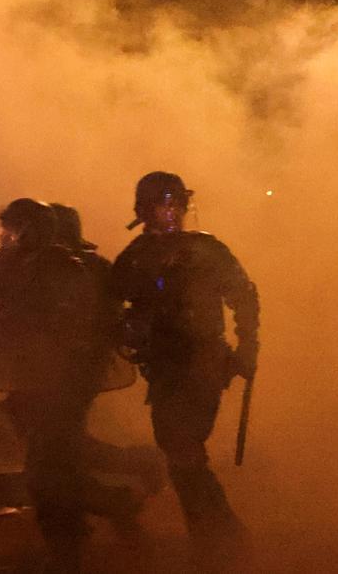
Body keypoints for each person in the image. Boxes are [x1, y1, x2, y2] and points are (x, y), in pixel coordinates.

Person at [0, 198, 141, 572]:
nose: (4, 238)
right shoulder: (19, 269)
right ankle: (104, 512)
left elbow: (78, 329)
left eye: (10, 230)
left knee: (48, 475)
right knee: (59, 466)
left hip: (63, 382)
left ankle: (77, 542)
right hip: (37, 380)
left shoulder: (65, 270)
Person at [110, 172, 258, 560]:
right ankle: (215, 533)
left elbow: (243, 293)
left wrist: (248, 344)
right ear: (145, 210)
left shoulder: (207, 249)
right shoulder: (135, 257)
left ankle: (218, 536)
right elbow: (109, 303)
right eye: (164, 204)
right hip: (162, 370)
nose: (173, 212)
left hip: (204, 363)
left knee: (182, 447)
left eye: (178, 203)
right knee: (178, 452)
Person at [49, 204, 164, 496]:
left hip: (77, 364)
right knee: (57, 441)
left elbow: (107, 315)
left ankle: (118, 490)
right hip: (52, 364)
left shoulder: (89, 268)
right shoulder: (51, 267)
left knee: (59, 441)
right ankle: (115, 490)